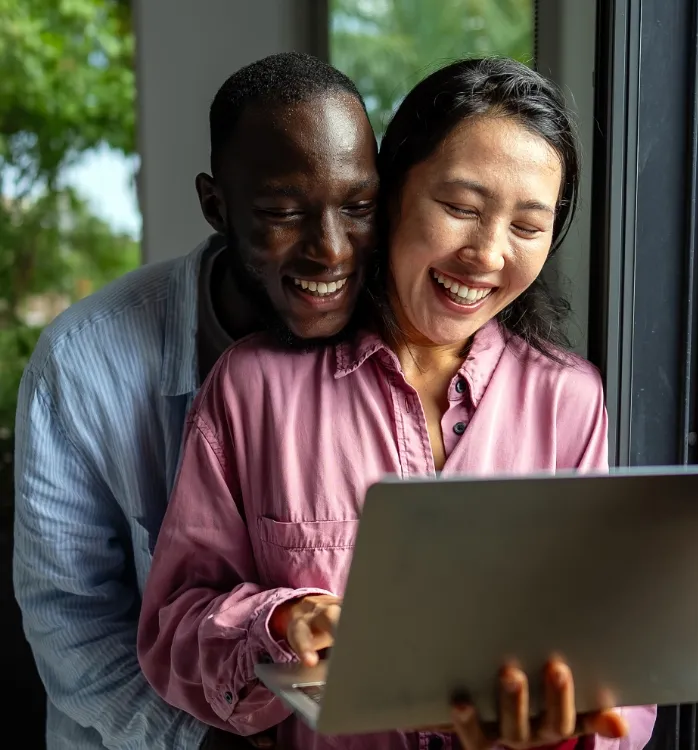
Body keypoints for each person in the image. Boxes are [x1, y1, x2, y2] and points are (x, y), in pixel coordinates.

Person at [138, 57, 657, 750]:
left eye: (527, 227)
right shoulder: (253, 387)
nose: (487, 253)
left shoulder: (568, 399)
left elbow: (615, 650)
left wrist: (565, 726)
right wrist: (284, 619)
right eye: (462, 209)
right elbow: (174, 632)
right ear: (391, 198)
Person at [13, 52, 378, 750]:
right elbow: (72, 621)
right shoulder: (84, 363)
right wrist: (210, 741)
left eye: (358, 206)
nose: (331, 251)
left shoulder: (395, 345)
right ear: (216, 206)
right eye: (281, 213)